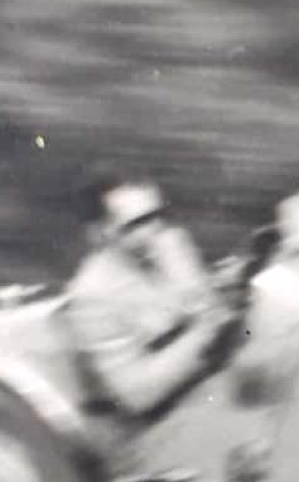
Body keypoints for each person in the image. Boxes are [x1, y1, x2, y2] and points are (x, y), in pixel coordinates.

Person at [61, 171, 238, 419]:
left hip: (217, 385)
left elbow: (213, 307)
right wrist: (204, 331)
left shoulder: (172, 243)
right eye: (135, 224)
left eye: (157, 216)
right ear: (100, 233)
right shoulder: (90, 298)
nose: (153, 230)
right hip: (166, 421)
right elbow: (139, 395)